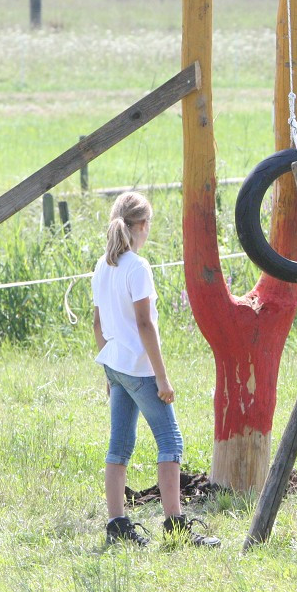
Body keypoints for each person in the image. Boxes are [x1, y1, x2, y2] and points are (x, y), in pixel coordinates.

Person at [92, 192, 219, 548]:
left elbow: (97, 324)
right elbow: (145, 324)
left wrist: (107, 371)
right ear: (142, 226)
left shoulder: (103, 265)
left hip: (116, 365)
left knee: (119, 446)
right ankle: (175, 524)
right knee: (170, 442)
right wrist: (161, 377)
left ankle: (117, 523)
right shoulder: (137, 266)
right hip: (139, 368)